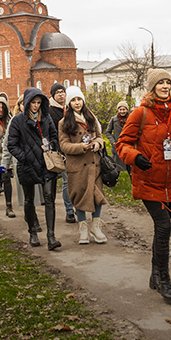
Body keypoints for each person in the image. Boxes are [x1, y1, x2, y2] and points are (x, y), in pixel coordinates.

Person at [116, 69, 171, 303]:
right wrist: (135, 157)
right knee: (164, 227)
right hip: (148, 180)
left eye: (168, 82)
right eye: (160, 83)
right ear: (152, 87)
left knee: (163, 229)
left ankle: (154, 275)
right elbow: (123, 144)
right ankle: (165, 280)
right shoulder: (140, 113)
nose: (165, 86)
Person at [6, 88, 62, 250]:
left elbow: (54, 136)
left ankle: (51, 236)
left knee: (49, 198)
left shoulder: (46, 119)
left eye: (38, 103)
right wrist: (25, 157)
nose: (36, 106)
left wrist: (51, 148)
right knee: (29, 200)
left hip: (47, 164)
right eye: (33, 102)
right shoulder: (17, 121)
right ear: (27, 103)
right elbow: (12, 145)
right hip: (27, 165)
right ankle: (32, 232)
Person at [58, 85, 108, 245]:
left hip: (94, 164)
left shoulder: (91, 117)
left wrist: (98, 143)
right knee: (79, 196)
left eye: (79, 99)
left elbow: (100, 136)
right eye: (73, 100)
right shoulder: (64, 122)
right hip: (77, 167)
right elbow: (64, 145)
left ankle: (95, 226)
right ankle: (83, 229)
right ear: (69, 103)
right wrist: (81, 147)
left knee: (97, 195)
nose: (77, 102)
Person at [48, 82, 77, 223]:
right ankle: (69, 211)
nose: (61, 94)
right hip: (61, 152)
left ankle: (79, 207)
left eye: (62, 91)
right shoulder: (50, 111)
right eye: (57, 92)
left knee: (77, 180)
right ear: (53, 95)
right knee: (67, 181)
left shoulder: (71, 108)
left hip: (76, 150)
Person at [105, 101, 130, 173]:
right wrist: (113, 142)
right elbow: (108, 132)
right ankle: (114, 181)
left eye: (124, 109)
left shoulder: (131, 119)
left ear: (126, 110)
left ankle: (133, 183)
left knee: (130, 168)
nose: (122, 111)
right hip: (117, 146)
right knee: (116, 168)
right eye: (120, 109)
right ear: (118, 110)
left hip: (128, 146)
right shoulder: (113, 119)